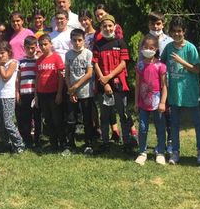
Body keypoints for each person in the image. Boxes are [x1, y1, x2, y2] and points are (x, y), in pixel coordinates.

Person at [160, 16, 200, 165]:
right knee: (174, 124)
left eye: (179, 31)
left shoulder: (190, 48)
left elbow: (197, 69)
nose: (176, 34)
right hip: (174, 93)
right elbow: (161, 65)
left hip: (190, 91)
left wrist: (181, 62)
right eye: (173, 31)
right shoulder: (168, 48)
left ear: (184, 32)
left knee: (197, 123)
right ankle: (175, 152)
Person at [92, 14, 132, 152]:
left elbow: (123, 63)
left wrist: (109, 76)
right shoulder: (97, 45)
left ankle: (127, 142)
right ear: (101, 27)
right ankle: (105, 142)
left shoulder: (120, 42)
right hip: (103, 85)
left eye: (110, 26)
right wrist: (104, 82)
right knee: (104, 115)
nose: (108, 28)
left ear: (114, 27)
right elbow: (95, 64)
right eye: (104, 26)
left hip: (119, 85)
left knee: (123, 114)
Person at [134, 35, 167, 165]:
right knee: (142, 128)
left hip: (157, 103)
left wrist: (163, 102)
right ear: (142, 48)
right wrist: (136, 102)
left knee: (160, 127)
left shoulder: (161, 66)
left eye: (151, 48)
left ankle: (160, 152)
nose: (148, 50)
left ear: (156, 49)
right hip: (143, 103)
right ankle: (142, 152)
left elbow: (164, 86)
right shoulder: (140, 66)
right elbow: (137, 85)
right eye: (145, 47)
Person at [36, 33, 68, 154]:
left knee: (58, 119)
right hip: (42, 94)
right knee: (48, 119)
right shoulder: (39, 60)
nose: (43, 47)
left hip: (54, 93)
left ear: (51, 44)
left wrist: (59, 93)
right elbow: (38, 78)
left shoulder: (56, 58)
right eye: (41, 45)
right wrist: (36, 95)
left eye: (45, 44)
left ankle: (63, 144)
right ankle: (53, 144)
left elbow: (61, 77)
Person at [146, 11, 173, 154]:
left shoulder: (168, 40)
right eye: (152, 24)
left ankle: (170, 141)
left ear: (163, 24)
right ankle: (159, 141)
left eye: (158, 23)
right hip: (152, 84)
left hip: (167, 82)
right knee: (157, 114)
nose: (155, 27)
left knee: (168, 112)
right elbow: (141, 61)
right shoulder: (145, 40)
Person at [0, 41, 25, 154]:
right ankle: (7, 144)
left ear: (9, 53)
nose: (0, 56)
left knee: (8, 123)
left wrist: (1, 65)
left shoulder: (13, 62)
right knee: (0, 122)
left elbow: (6, 77)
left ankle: (19, 144)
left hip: (8, 96)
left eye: (2, 53)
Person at [65, 29, 94, 154]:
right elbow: (67, 74)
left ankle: (89, 144)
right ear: (71, 41)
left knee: (87, 119)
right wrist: (71, 91)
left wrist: (75, 87)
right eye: (74, 40)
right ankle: (70, 145)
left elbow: (89, 74)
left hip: (86, 92)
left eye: (79, 40)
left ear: (83, 40)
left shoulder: (88, 53)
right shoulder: (68, 54)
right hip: (72, 92)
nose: (77, 43)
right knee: (71, 119)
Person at [16, 35, 41, 149]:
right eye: (28, 48)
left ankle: (37, 139)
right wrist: (17, 92)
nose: (31, 50)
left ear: (36, 47)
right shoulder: (20, 62)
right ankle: (27, 139)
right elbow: (18, 78)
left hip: (35, 94)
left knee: (37, 117)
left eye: (33, 48)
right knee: (25, 117)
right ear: (24, 47)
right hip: (24, 93)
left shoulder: (38, 61)